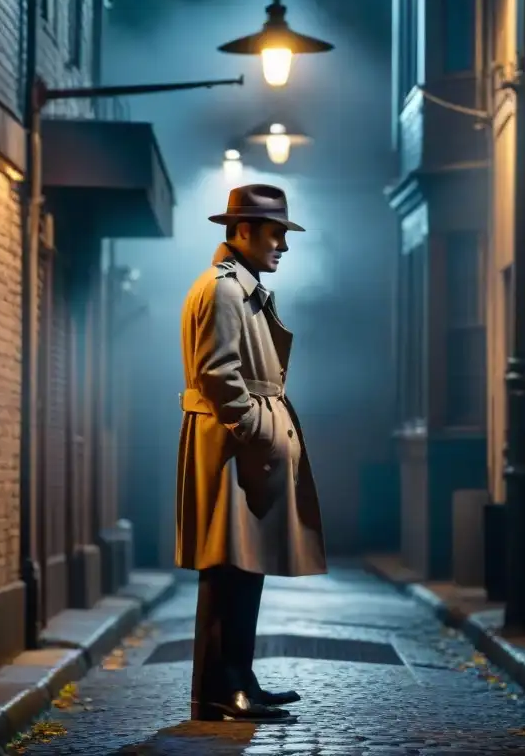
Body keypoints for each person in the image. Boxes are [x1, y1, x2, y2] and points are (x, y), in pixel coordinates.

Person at [175, 184, 328, 722]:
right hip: (234, 447)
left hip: (242, 446)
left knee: (244, 567)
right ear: (243, 231)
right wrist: (256, 430)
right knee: (228, 568)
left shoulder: (243, 287)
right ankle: (222, 687)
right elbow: (219, 373)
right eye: (275, 233)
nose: (283, 244)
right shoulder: (223, 290)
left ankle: (237, 680)